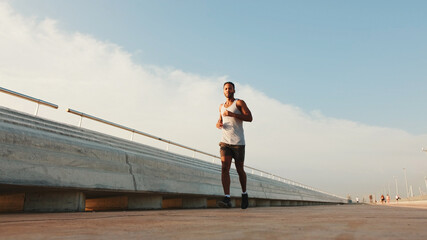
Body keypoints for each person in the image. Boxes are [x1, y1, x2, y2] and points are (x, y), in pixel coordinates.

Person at [216, 82, 253, 209]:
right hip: (225, 142)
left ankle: (244, 193)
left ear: (234, 90)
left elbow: (249, 117)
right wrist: (218, 124)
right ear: (223, 91)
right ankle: (227, 198)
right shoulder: (221, 106)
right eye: (225, 89)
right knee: (224, 168)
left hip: (238, 143)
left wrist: (232, 114)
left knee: (239, 170)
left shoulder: (239, 103)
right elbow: (219, 121)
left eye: (230, 88)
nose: (227, 90)